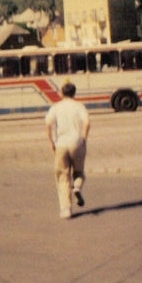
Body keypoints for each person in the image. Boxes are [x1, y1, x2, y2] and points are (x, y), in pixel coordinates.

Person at [45, 81, 91, 219]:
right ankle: (77, 187)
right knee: (79, 172)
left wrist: (52, 141)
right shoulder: (79, 106)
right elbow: (87, 122)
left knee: (62, 176)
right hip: (77, 143)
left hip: (61, 144)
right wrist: (84, 138)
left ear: (61, 93)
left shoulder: (56, 107)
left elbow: (48, 124)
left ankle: (66, 210)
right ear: (74, 93)